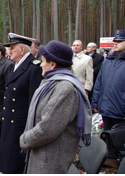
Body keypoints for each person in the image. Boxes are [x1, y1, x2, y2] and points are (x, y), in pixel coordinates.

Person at [19, 40, 92, 174]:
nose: (41, 64)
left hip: (49, 160)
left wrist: (24, 139)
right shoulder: (51, 83)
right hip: (43, 154)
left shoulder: (64, 89)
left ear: (52, 64)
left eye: (43, 61)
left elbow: (47, 129)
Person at [0, 33, 43, 174]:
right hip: (10, 122)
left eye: (12, 48)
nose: (8, 51)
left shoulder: (34, 67)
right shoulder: (15, 65)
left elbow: (34, 102)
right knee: (8, 159)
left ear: (22, 50)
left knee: (16, 163)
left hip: (21, 125)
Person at [92, 30, 125, 130]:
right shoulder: (107, 61)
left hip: (121, 111)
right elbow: (99, 83)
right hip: (106, 110)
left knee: (120, 142)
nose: (115, 43)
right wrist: (95, 102)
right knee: (107, 140)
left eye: (120, 41)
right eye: (115, 41)